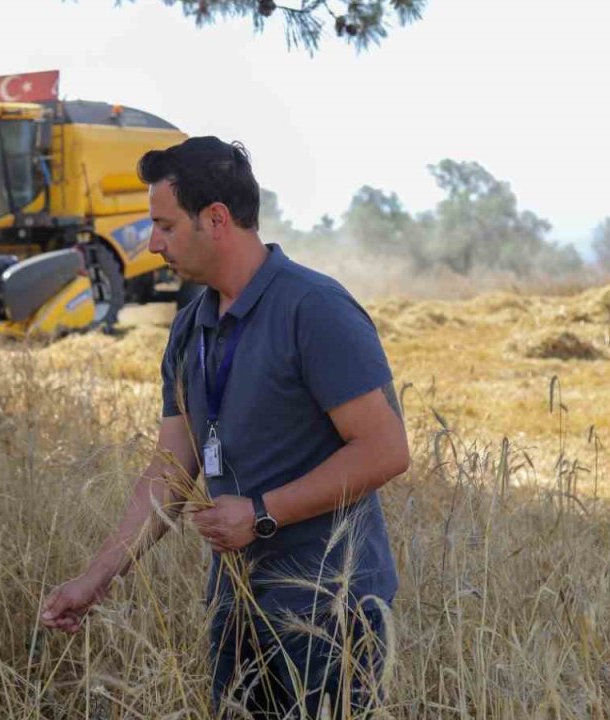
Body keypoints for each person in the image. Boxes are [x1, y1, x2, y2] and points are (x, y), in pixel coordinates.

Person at [40, 136, 409, 717]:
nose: (153, 243)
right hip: (234, 606)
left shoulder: (314, 308)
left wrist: (261, 513)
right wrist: (95, 579)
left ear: (215, 219)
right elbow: (168, 472)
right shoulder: (190, 328)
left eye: (163, 225)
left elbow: (386, 451)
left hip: (329, 610)